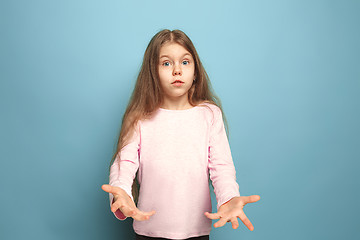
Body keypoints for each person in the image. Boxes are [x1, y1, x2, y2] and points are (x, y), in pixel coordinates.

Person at [101, 29, 260, 240]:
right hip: (149, 231)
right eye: (166, 63)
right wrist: (121, 191)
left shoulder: (209, 114)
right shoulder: (139, 117)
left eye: (185, 62)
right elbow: (125, 163)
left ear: (195, 72)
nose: (177, 70)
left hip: (196, 232)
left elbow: (221, 167)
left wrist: (229, 198)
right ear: (153, 73)